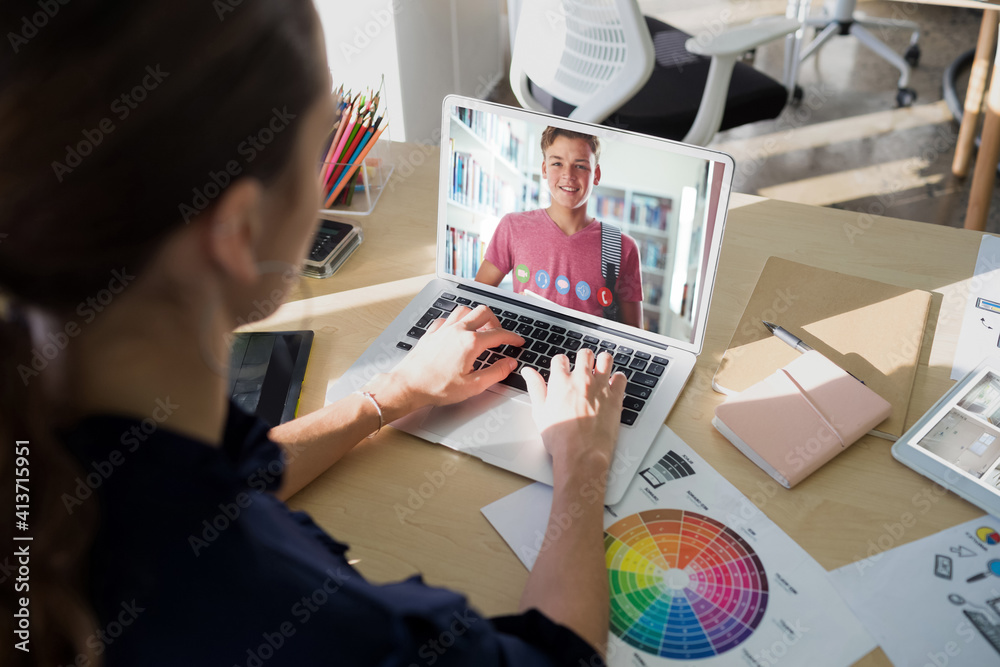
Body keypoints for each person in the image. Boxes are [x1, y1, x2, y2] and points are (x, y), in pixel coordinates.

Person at [0, 1, 628, 666]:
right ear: (238, 231)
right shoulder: (326, 630)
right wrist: (581, 462)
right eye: (323, 138)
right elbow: (560, 658)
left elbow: (204, 488)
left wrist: (389, 394)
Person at [475, 127, 644, 329]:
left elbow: (633, 333)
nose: (568, 175)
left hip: (587, 357)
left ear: (596, 174)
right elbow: (477, 300)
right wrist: (512, 311)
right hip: (524, 347)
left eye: (580, 166)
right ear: (545, 169)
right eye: (557, 163)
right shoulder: (513, 226)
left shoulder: (622, 246)